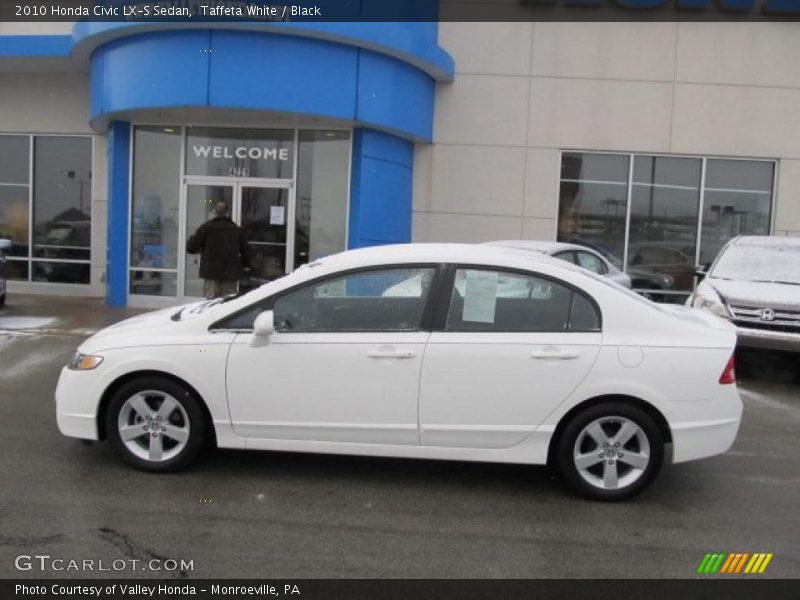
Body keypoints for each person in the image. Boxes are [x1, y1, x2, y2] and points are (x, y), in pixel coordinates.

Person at [186, 201, 249, 299]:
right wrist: (246, 266)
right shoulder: (236, 230)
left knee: (212, 304)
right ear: (228, 213)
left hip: (211, 272)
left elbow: (191, 247)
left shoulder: (206, 228)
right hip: (230, 273)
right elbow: (245, 251)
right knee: (230, 303)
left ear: (214, 213)